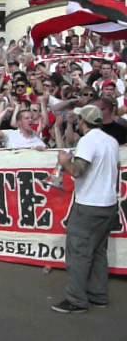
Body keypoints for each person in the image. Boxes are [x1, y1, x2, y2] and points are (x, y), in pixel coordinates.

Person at [51, 105, 120, 314]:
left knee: (79, 254)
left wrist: (65, 161)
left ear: (82, 121)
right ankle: (98, 296)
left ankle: (77, 300)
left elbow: (78, 171)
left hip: (90, 205)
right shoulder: (111, 141)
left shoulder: (88, 141)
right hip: (108, 204)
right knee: (98, 252)